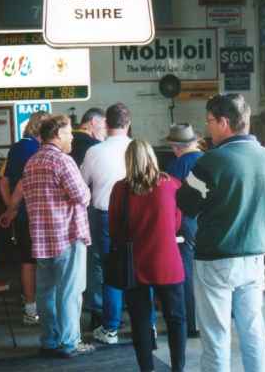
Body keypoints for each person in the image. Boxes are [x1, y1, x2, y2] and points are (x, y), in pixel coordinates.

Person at [177, 93, 265, 372]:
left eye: (209, 121)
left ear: (223, 122)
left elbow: (185, 203)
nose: (207, 127)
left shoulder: (211, 162)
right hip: (255, 257)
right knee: (253, 330)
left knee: (216, 336)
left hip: (216, 258)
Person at [11, 115, 94, 357]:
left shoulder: (32, 162)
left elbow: (24, 193)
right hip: (67, 236)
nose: (72, 138)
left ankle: (49, 340)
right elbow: (82, 196)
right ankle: (69, 342)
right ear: (57, 134)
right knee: (70, 292)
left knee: (45, 292)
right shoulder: (63, 161)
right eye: (68, 133)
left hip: (42, 239)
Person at [109, 139, 186, 372]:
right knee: (175, 318)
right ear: (153, 157)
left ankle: (146, 368)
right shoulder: (172, 184)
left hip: (135, 264)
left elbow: (114, 229)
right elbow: (177, 222)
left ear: (128, 161)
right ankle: (178, 368)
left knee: (140, 320)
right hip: (167, 261)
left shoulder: (120, 189)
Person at [82, 102, 152, 342]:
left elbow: (82, 185)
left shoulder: (94, 152)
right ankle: (148, 325)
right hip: (139, 214)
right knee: (141, 268)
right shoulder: (141, 149)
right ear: (128, 123)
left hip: (104, 216)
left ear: (106, 124)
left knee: (109, 270)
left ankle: (110, 328)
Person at [0, 110, 47, 325]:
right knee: (43, 262)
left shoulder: (17, 147)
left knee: (27, 260)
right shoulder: (41, 150)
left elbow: (3, 180)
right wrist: (13, 208)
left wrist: (11, 207)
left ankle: (30, 308)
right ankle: (40, 308)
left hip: (21, 213)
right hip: (39, 213)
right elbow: (23, 183)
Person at [164, 123, 203, 338]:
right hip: (208, 222)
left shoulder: (176, 166)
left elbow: (169, 199)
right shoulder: (209, 159)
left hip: (185, 223)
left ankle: (190, 323)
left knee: (186, 271)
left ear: (176, 146)